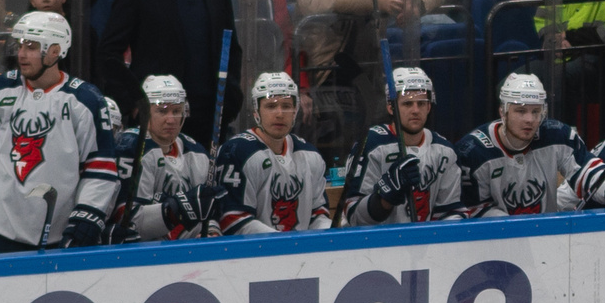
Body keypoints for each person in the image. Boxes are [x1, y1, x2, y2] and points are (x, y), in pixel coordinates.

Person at [0, 11, 120, 252]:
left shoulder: (84, 101)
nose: (21, 54)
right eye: (20, 45)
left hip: (59, 237)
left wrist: (87, 216)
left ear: (55, 51)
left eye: (31, 47)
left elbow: (99, 169)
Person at [95, 0, 237, 147]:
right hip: (158, 119)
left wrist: (231, 100)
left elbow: (231, 48)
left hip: (208, 118)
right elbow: (109, 53)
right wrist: (135, 102)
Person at [296, 0, 442, 154]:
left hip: (366, 76)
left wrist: (417, 5)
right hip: (323, 76)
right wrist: (374, 1)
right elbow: (310, 1)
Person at [204, 70, 325, 233]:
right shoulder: (237, 152)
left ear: (295, 111)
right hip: (251, 256)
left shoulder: (310, 155)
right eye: (271, 106)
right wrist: (284, 244)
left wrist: (333, 234)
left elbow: (318, 215)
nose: (280, 114)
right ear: (256, 111)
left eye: (286, 106)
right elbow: (233, 220)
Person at [339, 65, 462, 225]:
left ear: (429, 106)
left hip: (425, 244)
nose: (416, 110)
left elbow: (451, 212)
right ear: (391, 107)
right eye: (407, 104)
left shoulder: (444, 151)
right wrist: (383, 198)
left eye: (422, 103)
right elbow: (353, 215)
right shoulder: (370, 145)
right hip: (377, 245)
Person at [453, 72, 585, 217]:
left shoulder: (558, 135)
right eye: (521, 111)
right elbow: (474, 212)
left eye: (535, 111)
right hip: (497, 238)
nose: (530, 119)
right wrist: (518, 230)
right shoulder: (473, 151)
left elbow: (590, 171)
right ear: (503, 112)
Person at [105, 74, 212, 241]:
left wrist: (211, 231)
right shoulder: (131, 147)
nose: (171, 119)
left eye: (176, 111)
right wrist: (177, 210)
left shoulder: (196, 152)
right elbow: (128, 221)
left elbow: (210, 210)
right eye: (162, 111)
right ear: (144, 112)